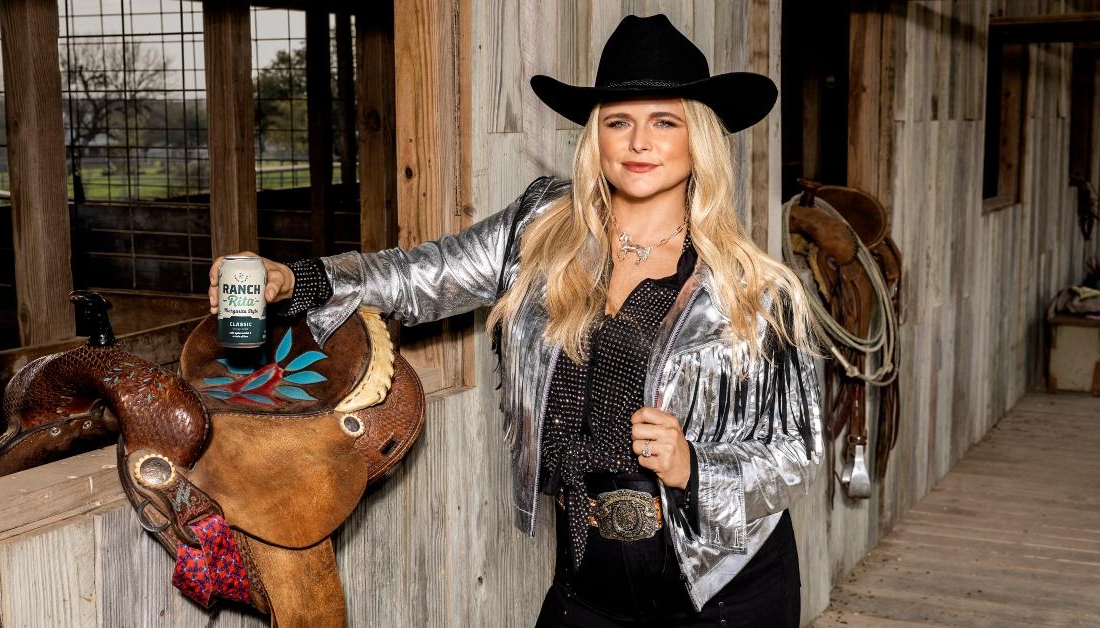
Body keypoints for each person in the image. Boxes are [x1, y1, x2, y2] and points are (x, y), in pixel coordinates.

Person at [208, 14, 823, 627]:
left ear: (700, 141)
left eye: (665, 122)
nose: (640, 142)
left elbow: (795, 451)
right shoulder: (539, 229)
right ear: (595, 138)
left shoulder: (755, 288)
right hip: (588, 578)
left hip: (723, 590)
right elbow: (422, 274)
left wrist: (695, 466)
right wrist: (298, 279)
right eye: (618, 122)